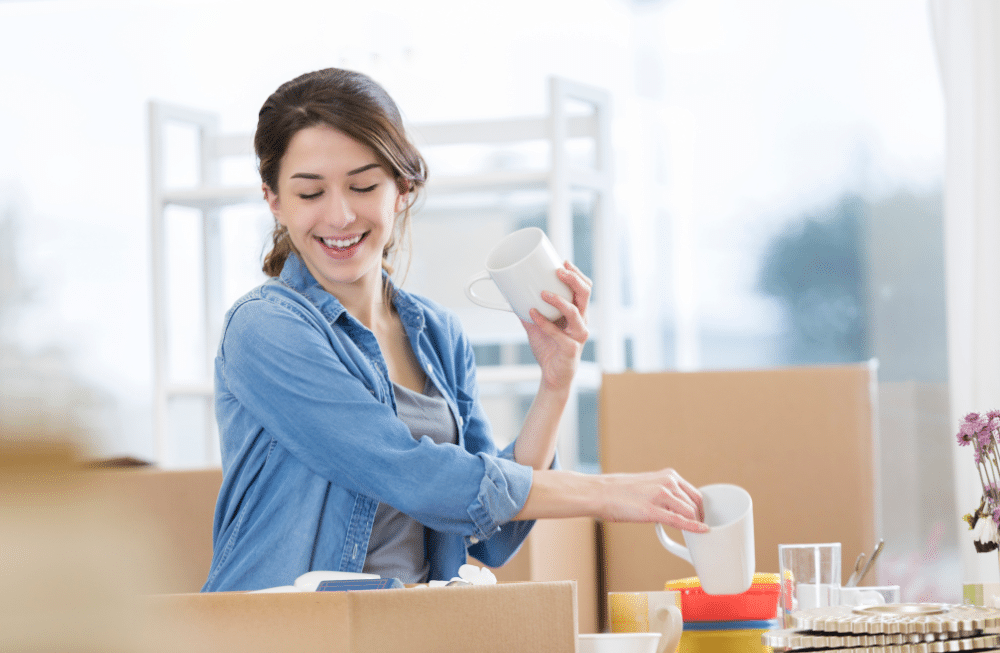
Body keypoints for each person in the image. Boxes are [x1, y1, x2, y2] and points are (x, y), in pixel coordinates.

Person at [202, 68, 707, 592]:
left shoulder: (438, 335)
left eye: (364, 185)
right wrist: (604, 493)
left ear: (401, 188)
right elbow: (409, 472)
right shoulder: (265, 328)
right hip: (285, 633)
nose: (340, 214)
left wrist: (556, 382)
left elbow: (490, 535)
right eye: (310, 194)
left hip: (411, 628)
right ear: (274, 201)